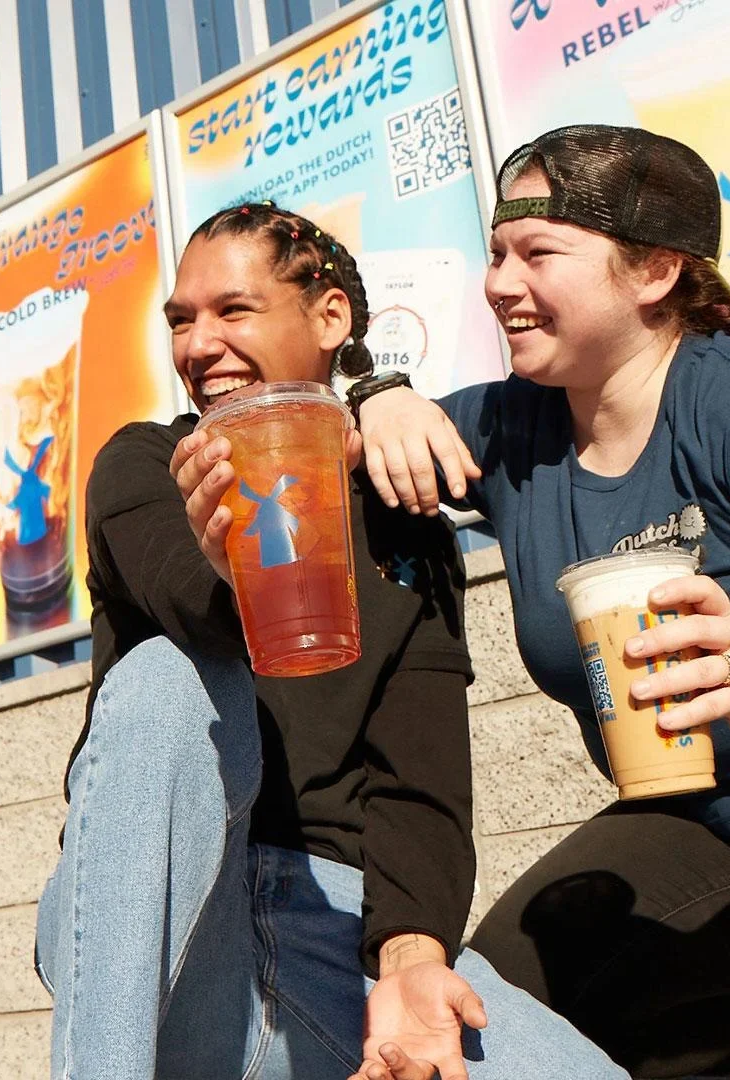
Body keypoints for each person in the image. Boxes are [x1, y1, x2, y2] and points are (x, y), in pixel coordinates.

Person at [35, 200, 631, 1080]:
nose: (199, 345)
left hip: (337, 927)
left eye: (233, 311)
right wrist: (230, 567)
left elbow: (416, 779)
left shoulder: (405, 526)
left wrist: (412, 962)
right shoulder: (147, 463)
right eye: (181, 321)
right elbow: (186, 602)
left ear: (330, 318)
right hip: (172, 914)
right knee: (163, 679)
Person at [354, 124, 730, 1078]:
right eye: (493, 253)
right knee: (505, 1009)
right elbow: (331, 439)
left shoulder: (722, 400)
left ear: (652, 270)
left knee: (503, 1009)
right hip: (688, 822)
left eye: (537, 253)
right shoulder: (516, 430)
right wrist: (378, 396)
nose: (498, 283)